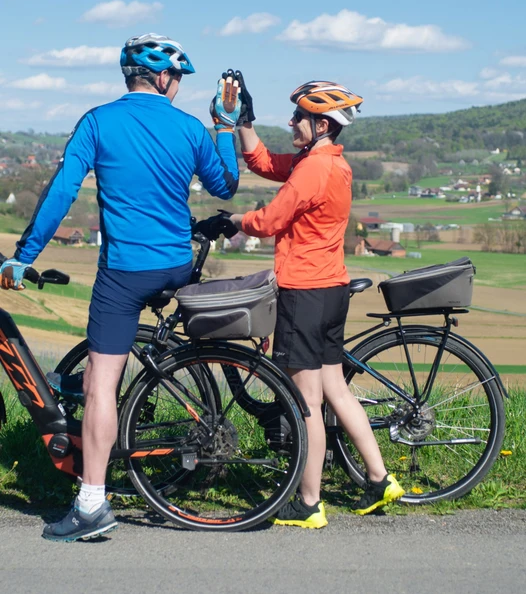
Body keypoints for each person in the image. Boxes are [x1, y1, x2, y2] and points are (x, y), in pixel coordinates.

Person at [0, 33, 242, 542]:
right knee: (117, 365)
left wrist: (23, 258)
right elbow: (225, 185)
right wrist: (224, 123)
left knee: (100, 383)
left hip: (126, 272)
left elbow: (62, 190)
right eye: (176, 78)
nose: (177, 86)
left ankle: (91, 504)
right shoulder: (191, 127)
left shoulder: (97, 121)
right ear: (161, 77)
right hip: (176, 264)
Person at [227, 76, 405, 528]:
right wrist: (243, 121)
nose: (291, 122)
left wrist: (234, 220)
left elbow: (270, 219)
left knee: (305, 403)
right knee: (335, 391)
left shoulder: (313, 169)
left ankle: (308, 503)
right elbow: (265, 162)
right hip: (330, 291)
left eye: (299, 117)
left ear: (322, 124)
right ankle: (381, 478)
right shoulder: (328, 162)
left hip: (304, 293)